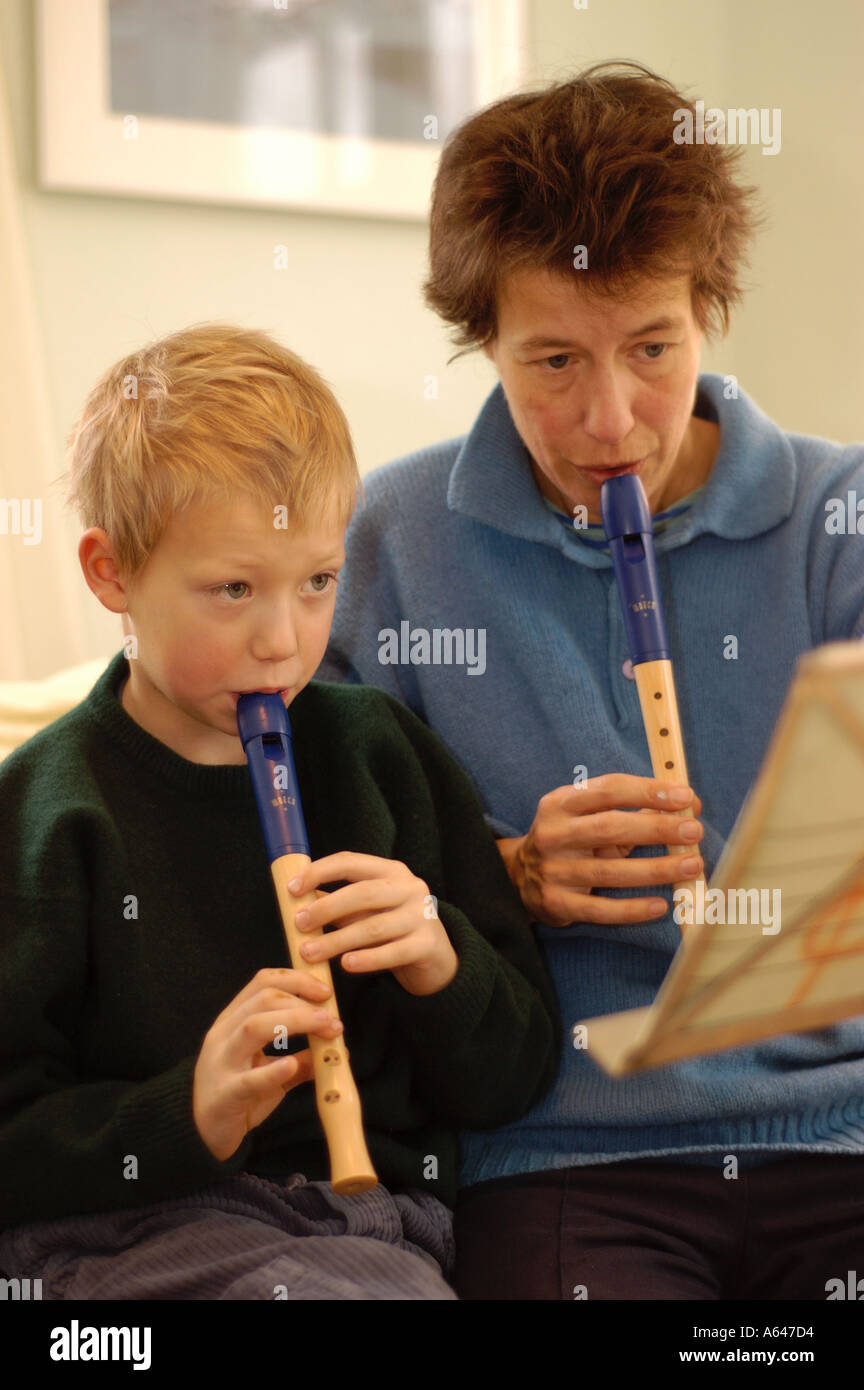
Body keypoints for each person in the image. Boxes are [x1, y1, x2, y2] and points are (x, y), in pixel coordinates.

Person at [316, 61, 864, 1300]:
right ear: (485, 341)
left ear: (709, 309)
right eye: (553, 362)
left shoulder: (843, 518)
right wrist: (503, 877)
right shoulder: (391, 543)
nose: (611, 420)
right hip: (564, 1156)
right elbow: (327, 871)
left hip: (842, 1127)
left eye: (651, 349)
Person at [0, 324, 561, 1301]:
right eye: (234, 590)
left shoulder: (378, 753)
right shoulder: (49, 810)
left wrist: (442, 958)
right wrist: (186, 1113)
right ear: (111, 573)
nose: (283, 643)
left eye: (317, 583)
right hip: (124, 1233)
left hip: (375, 1227)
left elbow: (513, 1077)